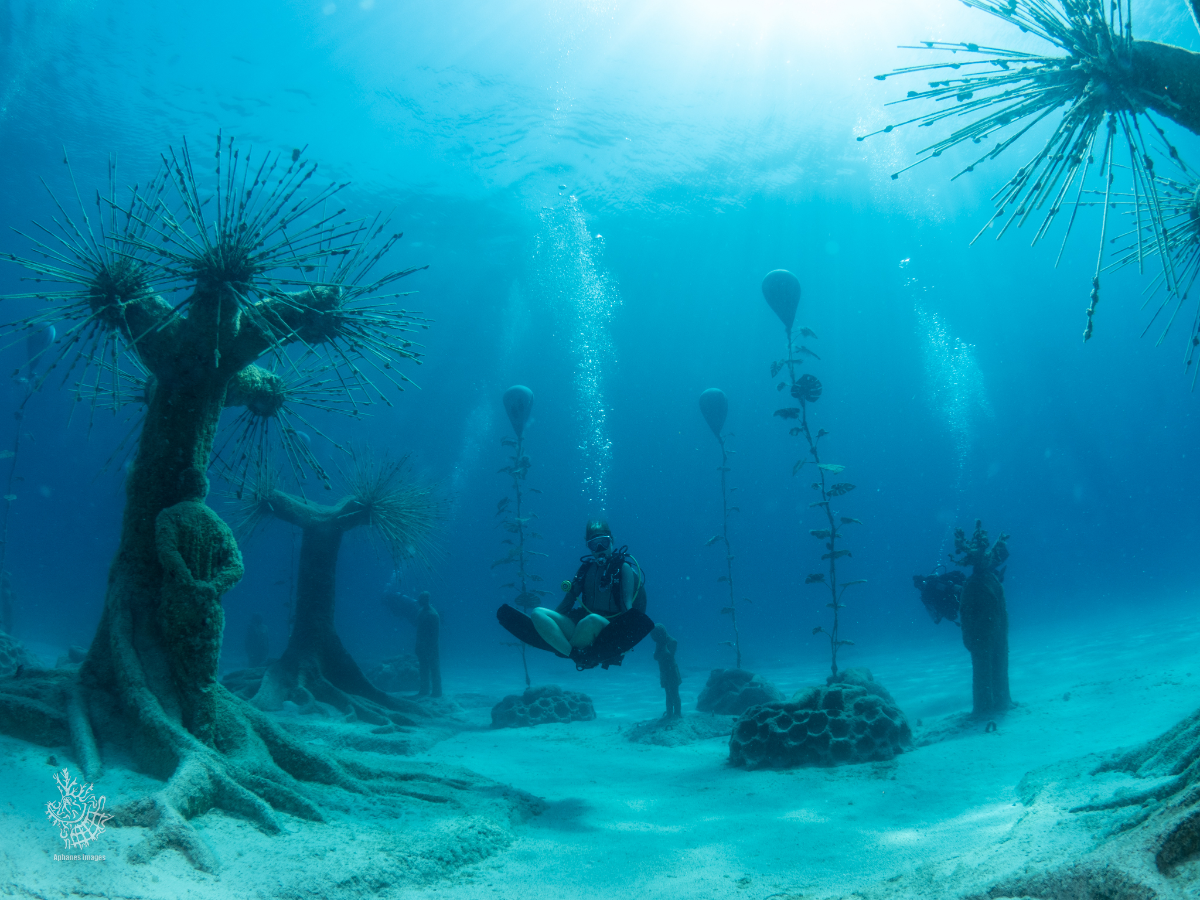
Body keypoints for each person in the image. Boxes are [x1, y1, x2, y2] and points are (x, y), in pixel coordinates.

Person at [531, 519, 645, 660]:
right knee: (537, 613)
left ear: (612, 541)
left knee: (591, 620)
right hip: (582, 628)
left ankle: (566, 648)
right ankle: (572, 653)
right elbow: (567, 603)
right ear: (589, 547)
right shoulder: (585, 570)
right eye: (593, 545)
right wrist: (550, 625)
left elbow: (627, 606)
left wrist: (627, 641)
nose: (599, 549)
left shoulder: (623, 569)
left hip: (609, 631)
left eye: (603, 543)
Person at [650, 624, 682, 719]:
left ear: (660, 633)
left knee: (674, 693)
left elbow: (668, 655)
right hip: (664, 671)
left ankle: (677, 714)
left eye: (655, 636)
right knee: (668, 694)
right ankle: (669, 714)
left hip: (671, 671)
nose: (653, 639)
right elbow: (656, 657)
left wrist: (662, 645)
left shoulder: (672, 641)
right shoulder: (660, 642)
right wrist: (660, 645)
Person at [415, 591, 442, 698]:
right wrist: (418, 646)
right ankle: (424, 690)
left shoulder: (432, 614)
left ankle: (437, 692)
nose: (418, 601)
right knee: (423, 668)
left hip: (431, 647)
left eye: (420, 599)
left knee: (434, 668)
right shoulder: (421, 611)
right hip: (422, 645)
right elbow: (419, 630)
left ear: (425, 600)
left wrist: (430, 648)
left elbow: (435, 635)